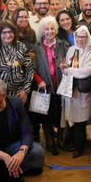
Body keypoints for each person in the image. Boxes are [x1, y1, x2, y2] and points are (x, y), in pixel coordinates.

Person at [0, 79, 45, 182]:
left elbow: (27, 130)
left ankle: (11, 170)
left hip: (12, 144)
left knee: (38, 151)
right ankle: (2, 175)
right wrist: (4, 156)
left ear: (4, 96)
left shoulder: (16, 104)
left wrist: (22, 151)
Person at [33, 16, 71, 155]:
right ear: (42, 31)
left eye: (52, 28)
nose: (49, 31)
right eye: (46, 29)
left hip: (61, 85)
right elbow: (32, 69)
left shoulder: (64, 45)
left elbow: (70, 63)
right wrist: (39, 81)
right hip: (44, 86)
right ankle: (50, 141)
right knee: (46, 115)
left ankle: (60, 140)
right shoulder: (36, 47)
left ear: (56, 29)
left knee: (62, 113)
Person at [60, 26, 91, 158]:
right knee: (71, 117)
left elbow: (87, 71)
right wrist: (64, 68)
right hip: (71, 89)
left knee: (81, 121)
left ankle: (79, 147)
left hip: (83, 91)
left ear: (87, 37)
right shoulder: (71, 50)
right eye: (77, 36)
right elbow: (67, 67)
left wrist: (68, 71)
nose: (80, 39)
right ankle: (70, 143)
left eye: (83, 36)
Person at [0, 21, 33, 103]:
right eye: (4, 32)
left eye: (10, 32)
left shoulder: (21, 46)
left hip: (19, 94)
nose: (8, 35)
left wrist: (25, 90)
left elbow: (29, 70)